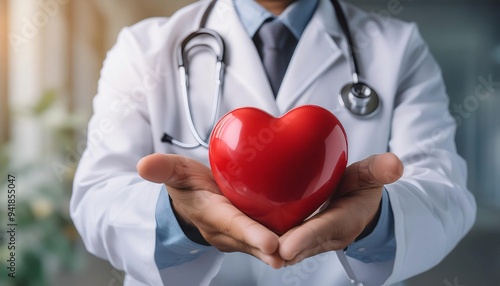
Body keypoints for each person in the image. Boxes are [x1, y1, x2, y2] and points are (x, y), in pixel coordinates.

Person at [70, 0, 477, 285]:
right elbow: (96, 197)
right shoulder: (144, 49)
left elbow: (445, 196)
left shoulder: (398, 47)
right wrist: (180, 221)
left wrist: (373, 224)